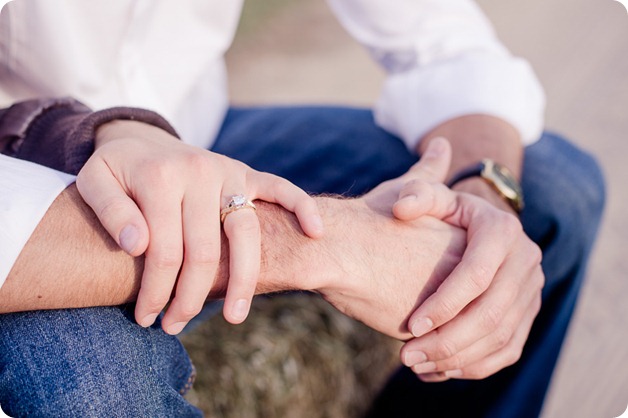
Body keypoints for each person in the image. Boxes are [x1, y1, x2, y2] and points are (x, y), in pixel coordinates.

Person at [0, 1, 604, 417]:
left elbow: (442, 40)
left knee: (554, 191)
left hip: (200, 134)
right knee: (93, 388)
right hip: (39, 204)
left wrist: (481, 195)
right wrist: (329, 243)